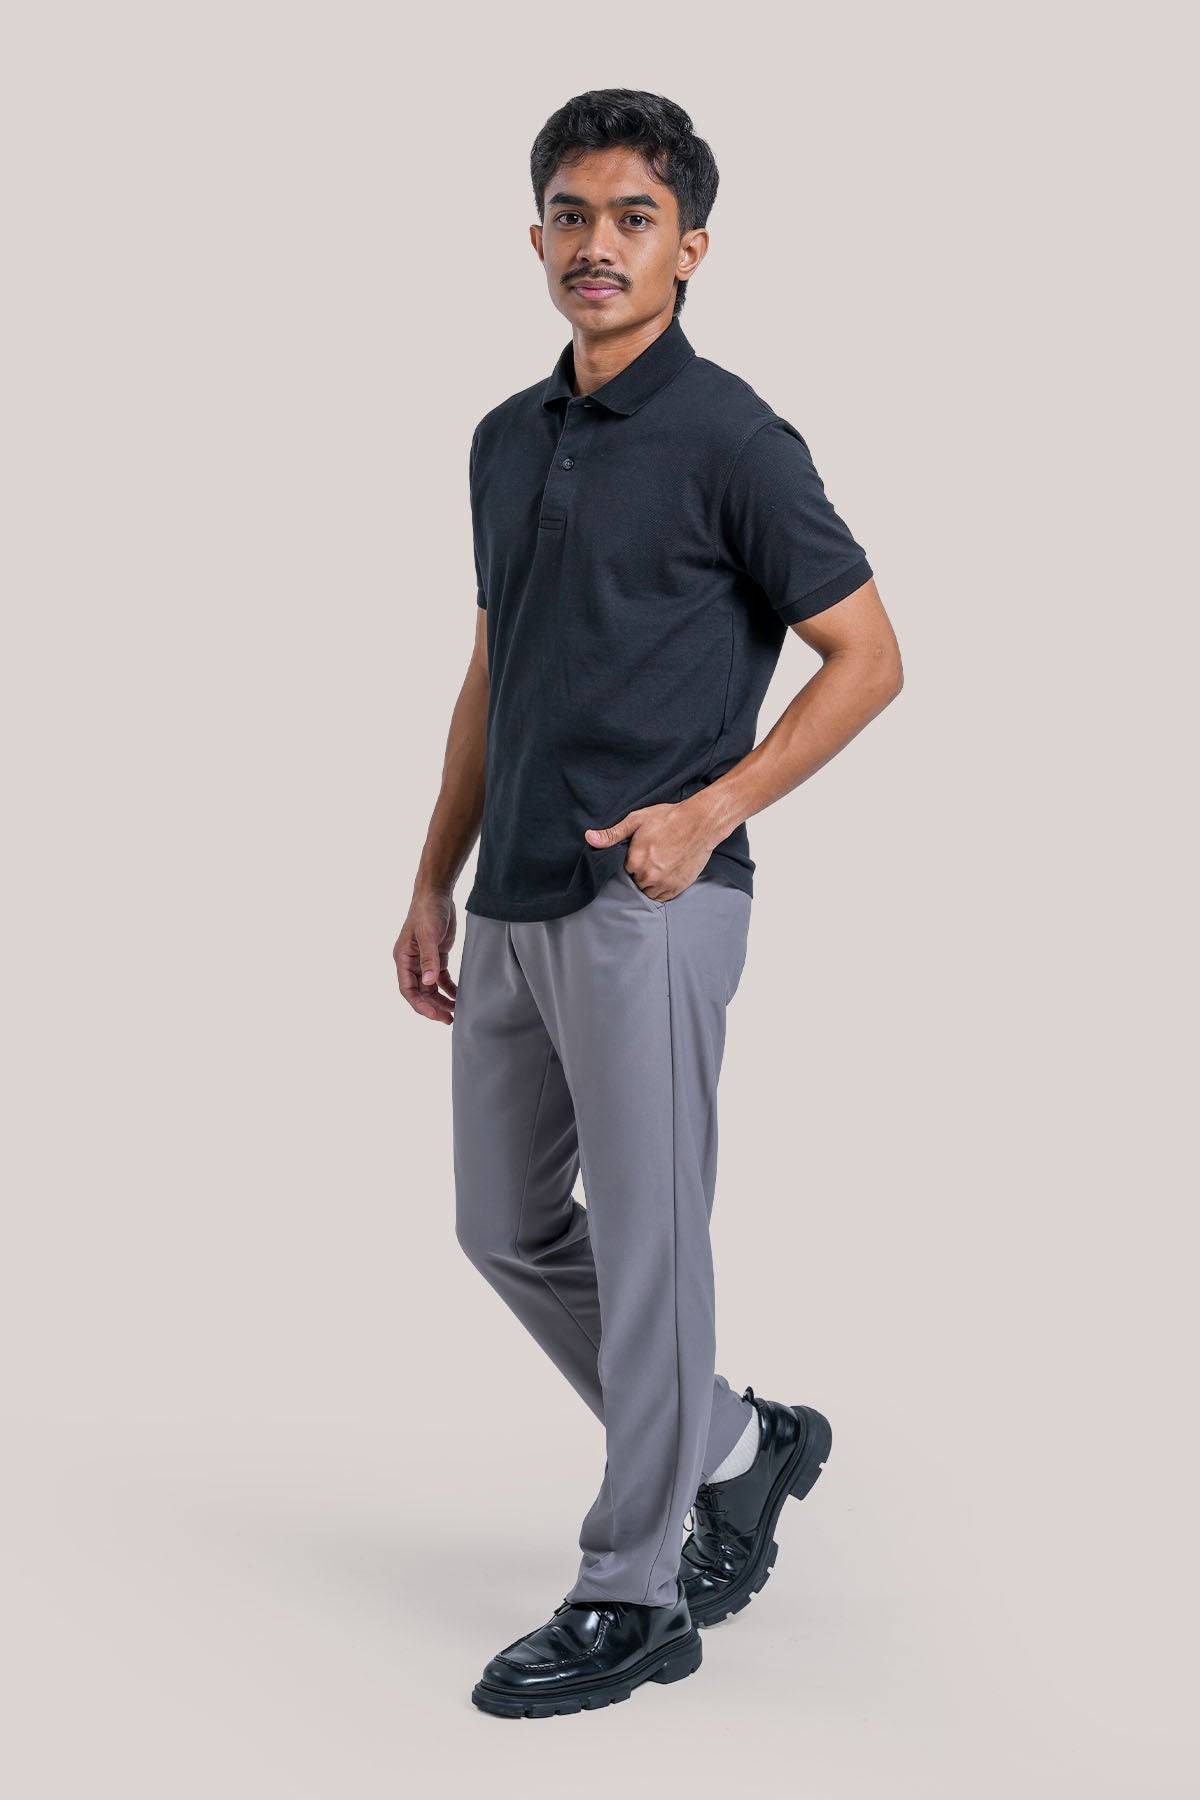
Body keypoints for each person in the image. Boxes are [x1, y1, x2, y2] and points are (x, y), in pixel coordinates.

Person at [393, 88, 903, 1719]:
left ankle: (634, 1594)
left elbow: (869, 656)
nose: (595, 244)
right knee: (503, 1224)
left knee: (652, 1242)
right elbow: (495, 670)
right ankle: (742, 1446)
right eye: (570, 214)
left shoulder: (734, 438)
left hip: (653, 899)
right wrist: (431, 873)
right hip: (513, 896)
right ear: (536, 236)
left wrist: (713, 809)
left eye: (632, 218)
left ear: (691, 247)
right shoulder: (504, 436)